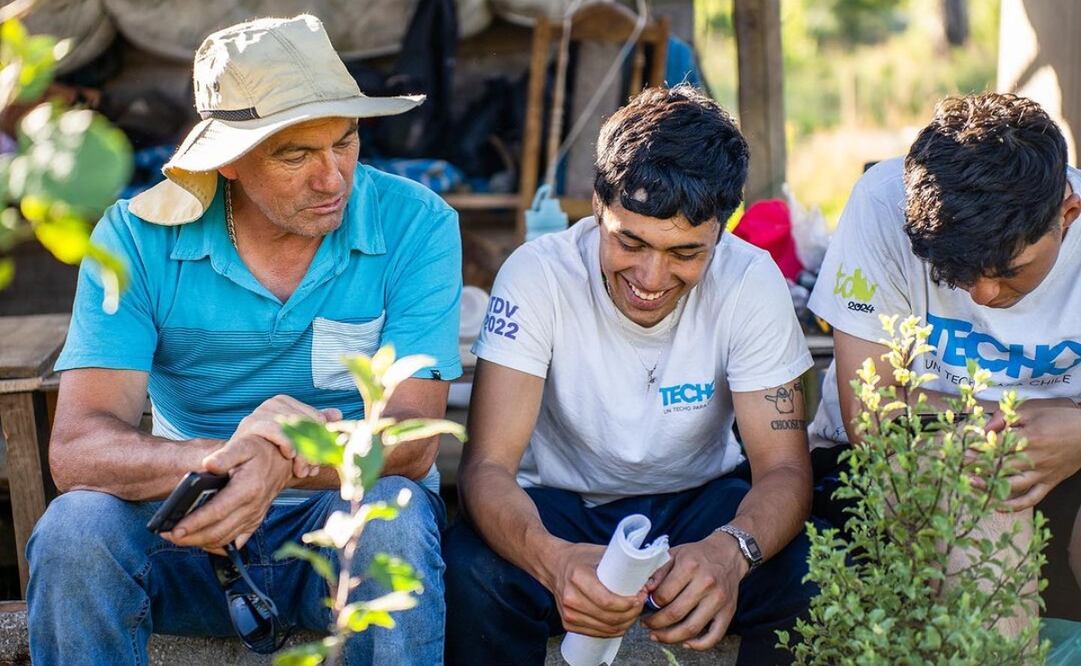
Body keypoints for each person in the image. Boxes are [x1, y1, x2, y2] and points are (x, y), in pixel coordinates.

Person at [26, 15, 462, 665]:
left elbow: (412, 442)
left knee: (395, 514)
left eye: (345, 141)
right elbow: (78, 451)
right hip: (190, 531)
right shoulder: (135, 236)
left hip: (339, 530)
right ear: (227, 161)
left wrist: (281, 461)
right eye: (296, 155)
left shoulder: (416, 222)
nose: (333, 177)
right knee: (73, 528)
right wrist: (231, 462)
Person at [444, 85, 818, 666]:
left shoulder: (752, 280)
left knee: (812, 574)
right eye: (630, 241)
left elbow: (786, 470)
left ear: (723, 228)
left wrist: (731, 552)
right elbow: (486, 470)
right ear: (598, 206)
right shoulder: (538, 275)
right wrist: (556, 560)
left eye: (686, 254)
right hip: (563, 509)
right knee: (472, 571)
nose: (651, 276)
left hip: (701, 507)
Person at [808, 92, 1081, 620]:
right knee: (986, 502)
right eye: (954, 269)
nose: (982, 295)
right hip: (904, 454)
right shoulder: (882, 202)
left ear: (1068, 214)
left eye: (1010, 270)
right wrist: (1035, 423)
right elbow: (874, 413)